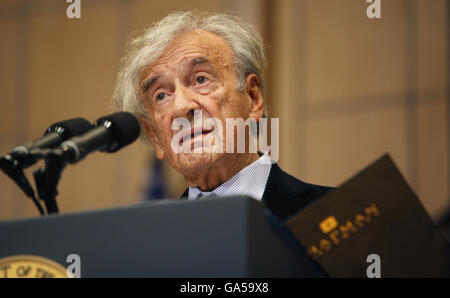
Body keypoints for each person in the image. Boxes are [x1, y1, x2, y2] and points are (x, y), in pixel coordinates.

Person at [112, 11, 331, 222]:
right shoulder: (147, 246)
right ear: (155, 137)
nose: (181, 107)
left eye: (200, 80)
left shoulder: (334, 214)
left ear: (253, 98)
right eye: (161, 95)